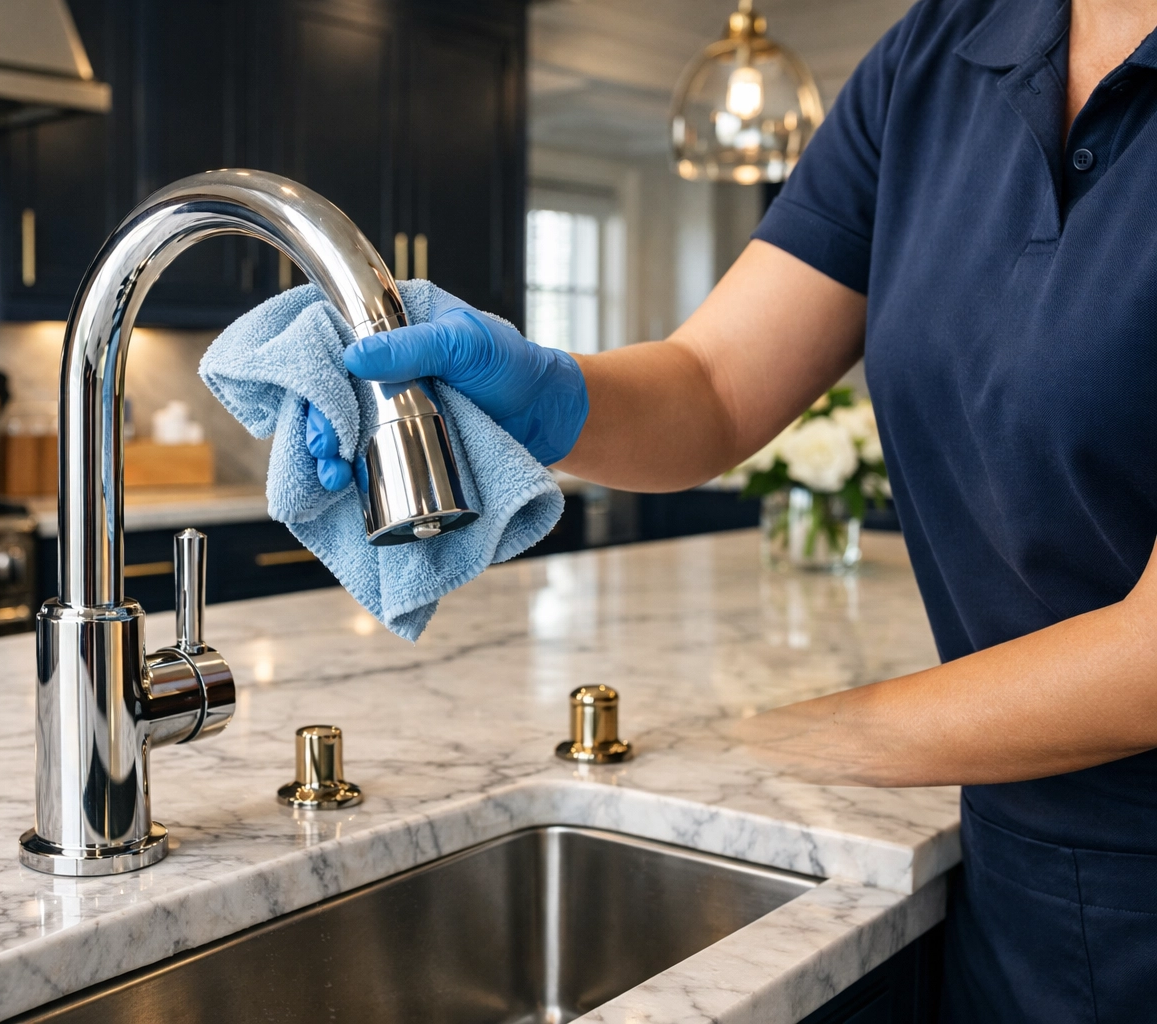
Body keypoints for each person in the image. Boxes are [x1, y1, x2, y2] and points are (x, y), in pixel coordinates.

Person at [306, 0, 1157, 1018]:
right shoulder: (942, 52)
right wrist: (544, 392)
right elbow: (711, 385)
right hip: (1018, 868)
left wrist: (773, 746)